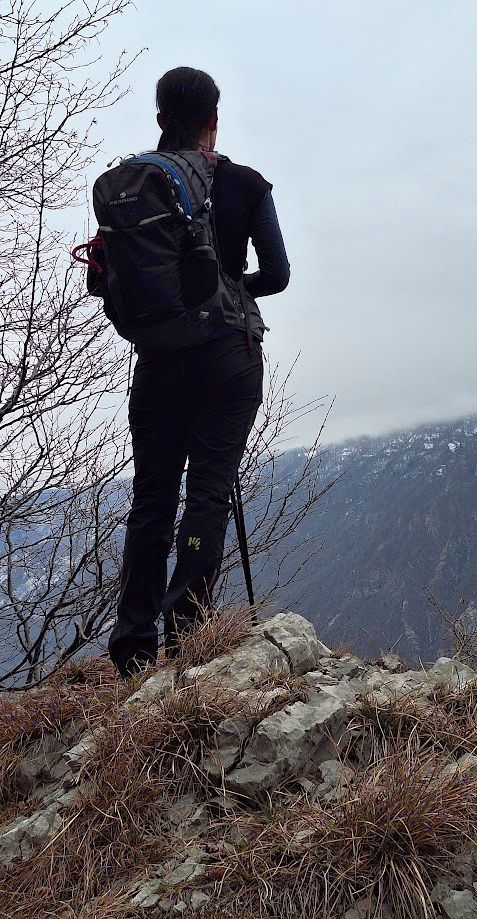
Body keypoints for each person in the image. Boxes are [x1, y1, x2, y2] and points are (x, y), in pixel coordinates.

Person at [106, 67, 290, 678]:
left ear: (160, 118)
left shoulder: (133, 189)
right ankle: (187, 633)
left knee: (152, 497)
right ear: (215, 119)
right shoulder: (244, 184)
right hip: (226, 359)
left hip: (158, 362)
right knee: (207, 491)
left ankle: (133, 648)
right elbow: (279, 274)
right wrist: (235, 290)